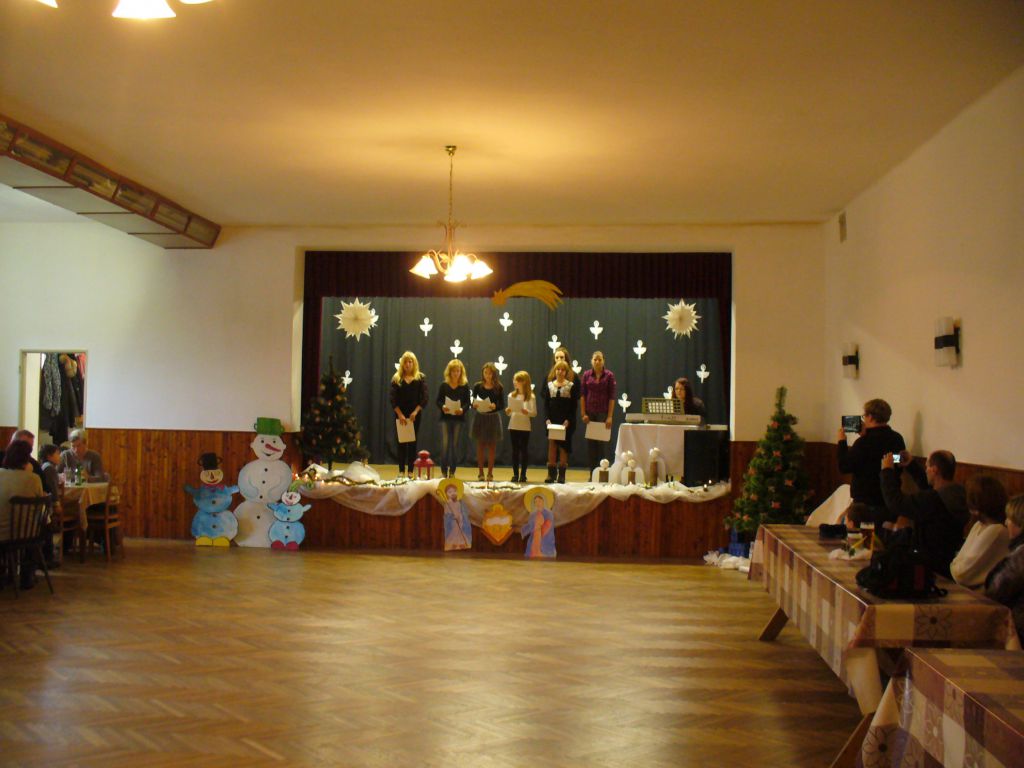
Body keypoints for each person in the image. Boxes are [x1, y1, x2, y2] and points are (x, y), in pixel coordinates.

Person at [879, 449, 968, 578]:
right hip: (946, 558)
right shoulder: (957, 493)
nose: (925, 470)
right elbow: (929, 489)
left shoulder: (933, 500)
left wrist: (886, 471)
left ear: (934, 470)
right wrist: (911, 465)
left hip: (928, 563)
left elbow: (896, 503)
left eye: (927, 467)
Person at [836, 399, 905, 513]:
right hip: (889, 498)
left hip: (865, 502)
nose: (864, 420)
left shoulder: (863, 443)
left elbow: (844, 466)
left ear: (871, 417)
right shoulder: (897, 438)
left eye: (864, 416)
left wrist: (842, 441)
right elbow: (898, 460)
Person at [0, 439, 47, 588]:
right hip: (25, 534)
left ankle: (4, 572)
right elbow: (40, 509)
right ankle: (27, 575)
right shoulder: (34, 479)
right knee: (42, 529)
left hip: (2, 532)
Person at [951, 475, 1010, 590]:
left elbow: (962, 574)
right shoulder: (979, 525)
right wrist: (956, 567)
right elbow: (957, 563)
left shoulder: (997, 530)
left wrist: (955, 567)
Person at [985, 495, 1024, 641]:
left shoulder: (1021, 555)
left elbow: (998, 590)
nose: (1006, 522)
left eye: (1010, 519)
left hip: (1018, 630)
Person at [389, 351, 428, 478]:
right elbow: (392, 399)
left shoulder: (420, 378)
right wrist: (400, 414)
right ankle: (401, 471)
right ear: (402, 364)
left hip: (414, 416)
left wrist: (415, 412)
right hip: (400, 415)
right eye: (405, 362)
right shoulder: (397, 378)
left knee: (412, 443)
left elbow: (424, 398)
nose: (408, 364)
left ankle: (410, 471)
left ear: (414, 363)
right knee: (401, 443)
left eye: (410, 362)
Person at [542, 360, 580, 484]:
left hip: (565, 422)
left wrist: (568, 420)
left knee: (564, 447)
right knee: (552, 446)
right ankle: (551, 474)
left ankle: (562, 475)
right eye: (558, 369)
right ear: (555, 371)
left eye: (563, 370)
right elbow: (546, 405)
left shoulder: (571, 386)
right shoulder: (549, 385)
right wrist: (547, 419)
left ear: (566, 372)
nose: (560, 372)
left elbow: (573, 406)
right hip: (552, 421)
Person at [580, 351, 617, 473]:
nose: (597, 362)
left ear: (603, 361)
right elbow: (582, 395)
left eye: (599, 359)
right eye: (595, 359)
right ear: (591, 361)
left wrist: (610, 416)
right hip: (590, 414)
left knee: (603, 446)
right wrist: (583, 414)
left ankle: (603, 474)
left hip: (603, 414)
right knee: (591, 446)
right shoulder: (586, 375)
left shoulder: (609, 375)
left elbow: (612, 397)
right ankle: (592, 474)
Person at [436, 359, 471, 479]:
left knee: (454, 446)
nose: (456, 373)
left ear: (461, 372)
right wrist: (443, 407)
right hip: (445, 418)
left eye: (458, 371)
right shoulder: (444, 385)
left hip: (458, 419)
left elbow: (468, 402)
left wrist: (462, 409)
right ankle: (443, 471)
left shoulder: (464, 386)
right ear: (449, 372)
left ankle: (452, 471)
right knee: (445, 445)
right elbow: (438, 401)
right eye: (453, 371)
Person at [471, 362, 505, 482]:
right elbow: (473, 401)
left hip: (493, 418)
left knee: (492, 447)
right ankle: (480, 473)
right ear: (483, 373)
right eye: (485, 373)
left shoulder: (498, 387)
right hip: (480, 417)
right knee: (480, 446)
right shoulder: (477, 386)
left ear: (494, 374)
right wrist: (474, 404)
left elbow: (502, 404)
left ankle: (490, 473)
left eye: (490, 373)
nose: (488, 375)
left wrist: (495, 406)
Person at [505, 370, 537, 483]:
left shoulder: (530, 396)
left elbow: (534, 413)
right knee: (515, 450)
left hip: (525, 426)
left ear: (524, 382)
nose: (515, 382)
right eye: (514, 380)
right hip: (513, 425)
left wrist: (527, 412)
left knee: (524, 450)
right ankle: (515, 474)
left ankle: (523, 474)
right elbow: (509, 412)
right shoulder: (511, 395)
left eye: (517, 380)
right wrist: (508, 411)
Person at [520, 488, 556, 558]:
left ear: (543, 501)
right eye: (535, 502)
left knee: (542, 548)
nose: (538, 503)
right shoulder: (532, 514)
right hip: (534, 536)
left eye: (539, 501)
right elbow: (530, 525)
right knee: (532, 547)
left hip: (545, 536)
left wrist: (539, 531)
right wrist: (524, 530)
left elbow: (548, 525)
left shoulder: (548, 513)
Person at [438, 478, 472, 551]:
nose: (453, 493)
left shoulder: (459, 503)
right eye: (450, 492)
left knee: (460, 533)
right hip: (453, 522)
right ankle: (452, 544)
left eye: (454, 491)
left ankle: (461, 543)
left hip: (460, 520)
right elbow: (447, 514)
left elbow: (462, 511)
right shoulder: (448, 504)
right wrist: (452, 517)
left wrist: (461, 517)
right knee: (453, 533)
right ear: (446, 494)